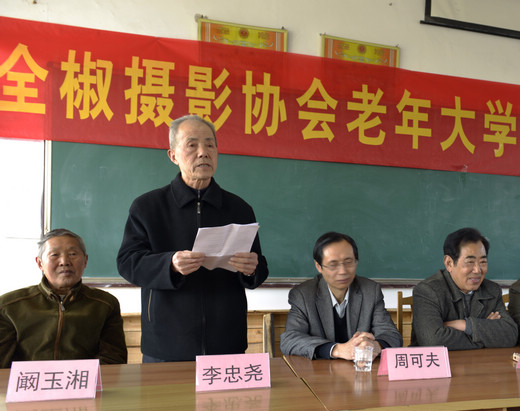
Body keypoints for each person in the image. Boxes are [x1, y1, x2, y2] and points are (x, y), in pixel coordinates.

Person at [117, 114, 269, 362]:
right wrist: (170, 264)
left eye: (210, 145)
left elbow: (259, 269)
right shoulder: (148, 207)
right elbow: (127, 263)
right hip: (166, 344)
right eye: (192, 145)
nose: (203, 153)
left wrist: (252, 268)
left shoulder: (239, 208)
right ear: (173, 155)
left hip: (226, 342)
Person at [0, 229, 127, 367]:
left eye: (72, 254)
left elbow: (113, 360)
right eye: (54, 255)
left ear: (85, 261)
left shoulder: (105, 304)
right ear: (40, 263)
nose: (64, 262)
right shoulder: (9, 306)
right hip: (29, 381)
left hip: (82, 380)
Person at [280, 232, 402, 359]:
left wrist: (376, 346)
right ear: (319, 266)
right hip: (319, 370)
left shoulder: (370, 291)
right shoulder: (303, 295)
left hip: (360, 368)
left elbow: (391, 335)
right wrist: (337, 349)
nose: (343, 271)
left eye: (349, 262)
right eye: (333, 265)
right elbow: (289, 340)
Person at [410, 227, 518, 350]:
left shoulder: (492, 290)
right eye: (470, 262)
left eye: (483, 262)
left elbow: (510, 335)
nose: (477, 270)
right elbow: (433, 341)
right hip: (437, 362)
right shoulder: (427, 291)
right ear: (449, 263)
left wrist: (465, 325)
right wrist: (485, 334)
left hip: (478, 360)